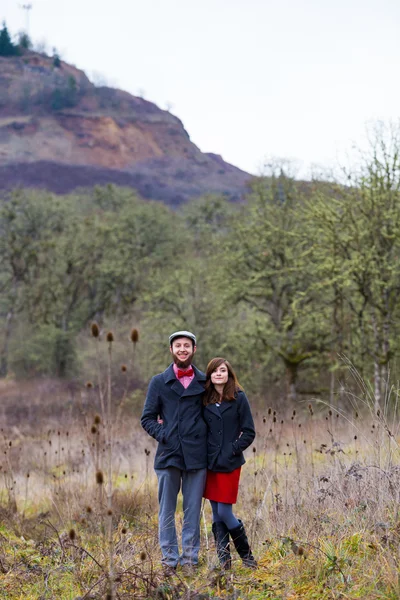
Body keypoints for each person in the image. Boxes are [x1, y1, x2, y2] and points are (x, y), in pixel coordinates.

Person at [141, 331, 207, 575]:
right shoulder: (159, 381)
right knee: (166, 510)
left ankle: (190, 559)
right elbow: (147, 418)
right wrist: (165, 434)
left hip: (197, 457)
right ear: (171, 350)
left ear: (194, 349)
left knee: (192, 509)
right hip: (168, 456)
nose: (182, 349)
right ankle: (169, 560)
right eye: (178, 345)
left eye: (186, 346)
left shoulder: (204, 382)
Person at [203, 357, 257, 569]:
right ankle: (224, 561)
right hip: (209, 464)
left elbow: (249, 432)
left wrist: (232, 449)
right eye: (215, 371)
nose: (218, 374)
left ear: (229, 374)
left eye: (222, 370)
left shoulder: (239, 398)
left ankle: (247, 557)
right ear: (209, 375)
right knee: (216, 513)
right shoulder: (204, 398)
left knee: (225, 512)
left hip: (230, 463)